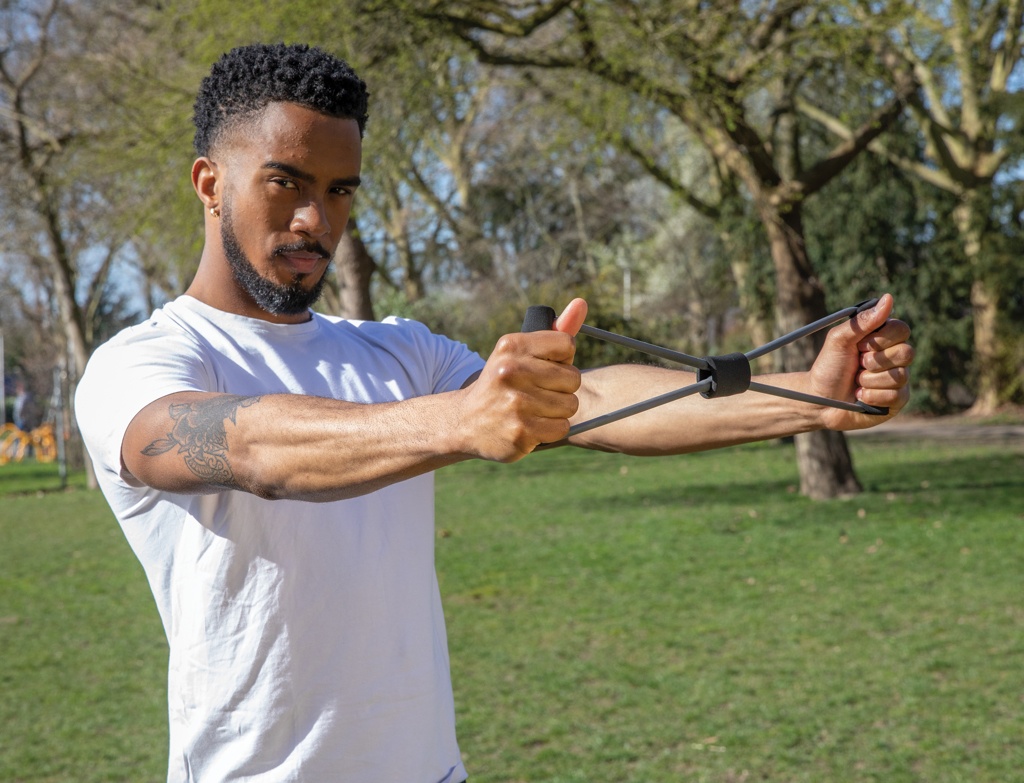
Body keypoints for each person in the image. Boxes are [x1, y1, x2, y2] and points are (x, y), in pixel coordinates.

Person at [75, 43, 914, 783]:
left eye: (339, 190)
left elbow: (591, 401)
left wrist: (810, 396)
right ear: (210, 183)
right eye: (285, 183)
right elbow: (244, 445)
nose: (314, 220)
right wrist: (457, 421)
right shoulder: (141, 362)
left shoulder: (397, 351)